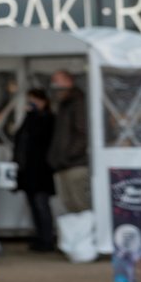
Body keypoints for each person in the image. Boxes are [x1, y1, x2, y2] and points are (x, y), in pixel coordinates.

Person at [11, 88, 56, 251]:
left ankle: (47, 238)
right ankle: (40, 236)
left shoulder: (48, 119)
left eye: (35, 100)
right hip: (28, 170)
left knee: (41, 204)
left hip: (41, 170)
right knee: (33, 204)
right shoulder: (29, 119)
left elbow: (41, 139)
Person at [47, 69, 91, 213]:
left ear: (68, 81)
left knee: (79, 205)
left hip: (75, 164)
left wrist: (68, 155)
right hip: (64, 165)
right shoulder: (64, 104)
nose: (54, 85)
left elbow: (83, 133)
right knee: (69, 205)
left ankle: (85, 235)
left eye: (57, 81)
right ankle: (77, 235)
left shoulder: (78, 102)